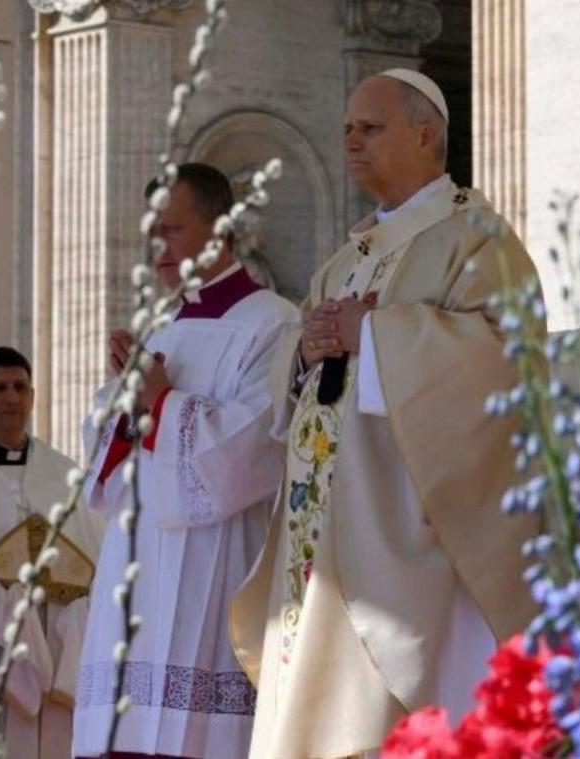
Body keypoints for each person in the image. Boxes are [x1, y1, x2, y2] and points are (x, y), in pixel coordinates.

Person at [230, 69, 542, 759]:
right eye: (347, 127)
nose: (350, 141)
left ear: (425, 135)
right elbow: (303, 364)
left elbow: (506, 359)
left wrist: (374, 335)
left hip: (403, 527)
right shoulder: (349, 257)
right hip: (321, 522)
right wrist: (306, 350)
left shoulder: (477, 239)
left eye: (369, 128)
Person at [73, 163, 298, 758]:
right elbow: (104, 464)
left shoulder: (274, 322)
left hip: (216, 562)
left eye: (170, 229)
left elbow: (256, 447)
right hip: (134, 565)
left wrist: (161, 401)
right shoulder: (159, 328)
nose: (157, 247)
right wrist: (125, 405)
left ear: (220, 229)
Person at [0, 346, 105, 758]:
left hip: (58, 641)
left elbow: (98, 556)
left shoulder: (64, 473)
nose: (12, 398)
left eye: (20, 387)